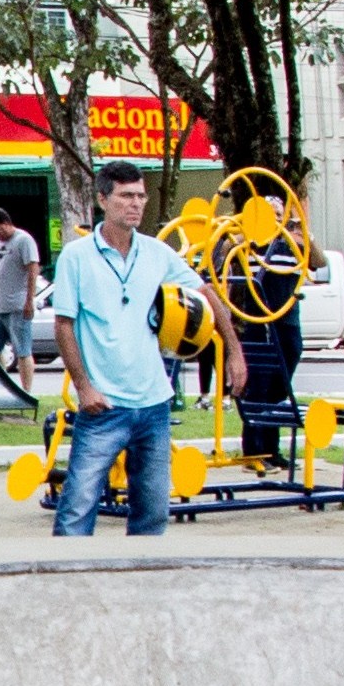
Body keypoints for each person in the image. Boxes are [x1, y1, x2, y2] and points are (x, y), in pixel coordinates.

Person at [50, 162, 246, 536]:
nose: (136, 204)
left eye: (141, 195)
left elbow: (205, 292)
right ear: (103, 199)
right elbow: (64, 326)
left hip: (153, 403)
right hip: (104, 404)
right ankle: (66, 586)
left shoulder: (156, 253)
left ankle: (143, 586)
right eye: (126, 196)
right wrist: (84, 386)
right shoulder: (77, 258)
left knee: (153, 512)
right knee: (77, 510)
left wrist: (234, 351)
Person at [0, 206, 44, 386]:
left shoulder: (24, 240)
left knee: (22, 350)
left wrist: (29, 301)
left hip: (18, 305)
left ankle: (26, 390)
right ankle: (2, 385)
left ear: (7, 223)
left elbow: (33, 269)